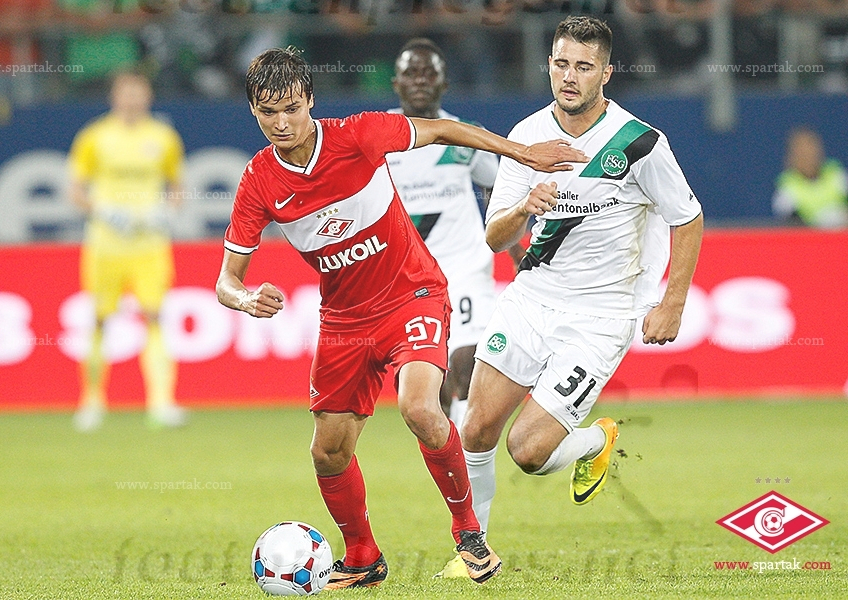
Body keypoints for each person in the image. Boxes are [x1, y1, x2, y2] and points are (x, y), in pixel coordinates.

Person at [215, 46, 587, 589]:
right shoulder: (258, 181)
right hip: (343, 320)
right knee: (328, 451)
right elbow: (226, 281)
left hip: (412, 293)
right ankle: (362, 557)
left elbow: (442, 130)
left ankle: (469, 535)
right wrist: (246, 299)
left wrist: (522, 152)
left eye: (291, 108)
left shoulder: (357, 135)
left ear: (310, 100)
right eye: (268, 113)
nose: (282, 123)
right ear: (253, 111)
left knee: (419, 406)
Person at [444, 15, 704, 576]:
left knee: (528, 452)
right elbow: (494, 238)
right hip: (531, 298)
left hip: (600, 317)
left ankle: (594, 441)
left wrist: (673, 302)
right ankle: (471, 551)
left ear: (606, 73)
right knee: (476, 428)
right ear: (548, 65)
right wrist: (524, 206)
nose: (569, 76)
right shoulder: (526, 135)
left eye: (584, 67)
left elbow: (687, 217)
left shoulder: (639, 143)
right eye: (561, 64)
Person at [386, 38, 502, 427]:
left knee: (467, 365)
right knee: (429, 389)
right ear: (396, 83)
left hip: (465, 267)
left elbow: (497, 188)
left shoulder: (465, 135)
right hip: (408, 278)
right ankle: (449, 450)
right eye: (411, 73)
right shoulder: (376, 139)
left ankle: (470, 457)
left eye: (429, 73)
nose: (420, 80)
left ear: (444, 83)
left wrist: (514, 244)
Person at [69, 71, 187, 431]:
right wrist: (103, 211)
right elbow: (76, 191)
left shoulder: (164, 137)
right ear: (115, 96)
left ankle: (161, 402)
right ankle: (91, 402)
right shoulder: (94, 137)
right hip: (106, 245)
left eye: (139, 92)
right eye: (127, 93)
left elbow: (177, 187)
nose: (133, 99)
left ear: (148, 96)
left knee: (154, 317)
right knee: (99, 319)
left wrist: (165, 213)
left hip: (149, 244)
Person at [772, 126, 848, 228]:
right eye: (801, 152)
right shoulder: (787, 189)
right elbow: (791, 227)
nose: (808, 156)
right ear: (791, 157)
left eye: (811, 149)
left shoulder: (836, 174)